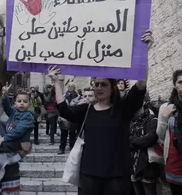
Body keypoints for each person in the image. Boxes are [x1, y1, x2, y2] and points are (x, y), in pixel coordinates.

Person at [48, 31, 152, 195]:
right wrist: (56, 82)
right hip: (89, 175)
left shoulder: (123, 108)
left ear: (112, 89)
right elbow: (64, 110)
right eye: (96, 84)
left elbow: (140, 85)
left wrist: (144, 52)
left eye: (103, 84)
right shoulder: (87, 109)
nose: (99, 88)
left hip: (117, 176)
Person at [0, 86, 34, 195]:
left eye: (25, 102)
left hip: (17, 146)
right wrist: (5, 96)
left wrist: (4, 138)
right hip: (11, 144)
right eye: (19, 101)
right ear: (15, 103)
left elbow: (19, 130)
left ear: (29, 104)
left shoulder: (28, 116)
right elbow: (7, 109)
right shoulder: (15, 112)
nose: (21, 103)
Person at [129, 95, 162, 195]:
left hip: (148, 165)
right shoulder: (131, 120)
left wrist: (132, 140)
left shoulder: (152, 118)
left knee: (149, 191)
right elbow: (125, 140)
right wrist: (138, 141)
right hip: (133, 164)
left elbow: (151, 138)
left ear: (143, 102)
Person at [157, 70, 182, 195]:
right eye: (180, 82)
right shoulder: (166, 107)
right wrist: (165, 118)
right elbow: (160, 135)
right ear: (175, 84)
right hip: (174, 164)